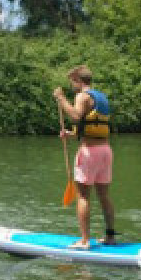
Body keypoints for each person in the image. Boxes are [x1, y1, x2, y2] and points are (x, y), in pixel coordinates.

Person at [53, 65, 117, 249]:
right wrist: (72, 134)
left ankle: (84, 241)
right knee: (104, 195)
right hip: (105, 151)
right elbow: (91, 124)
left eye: (72, 82)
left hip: (89, 152)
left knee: (83, 196)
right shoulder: (101, 97)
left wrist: (61, 98)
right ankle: (110, 237)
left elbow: (75, 116)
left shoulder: (82, 96)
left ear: (78, 80)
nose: (71, 85)